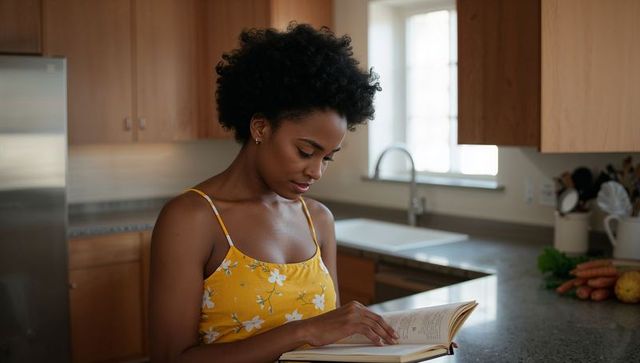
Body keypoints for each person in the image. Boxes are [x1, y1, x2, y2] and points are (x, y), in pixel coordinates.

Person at [149, 24, 398, 363]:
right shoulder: (193, 219)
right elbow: (170, 358)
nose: (316, 172)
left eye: (328, 158)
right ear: (261, 127)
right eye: (306, 151)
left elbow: (331, 339)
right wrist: (302, 331)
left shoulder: (318, 219)